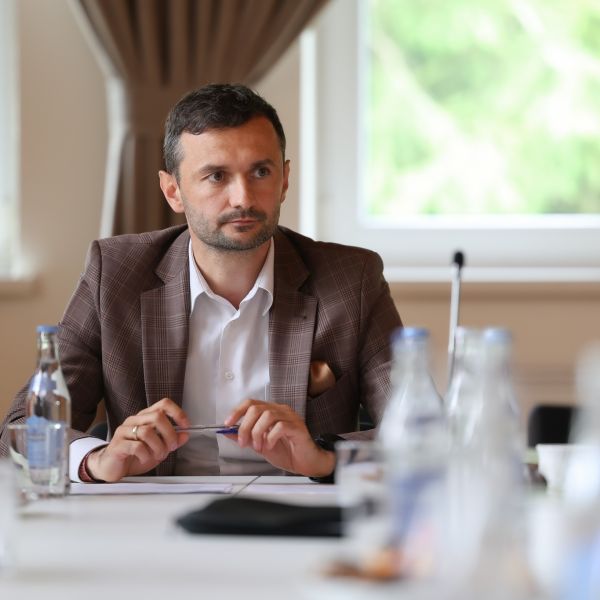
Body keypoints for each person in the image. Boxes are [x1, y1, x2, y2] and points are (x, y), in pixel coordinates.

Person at [0, 84, 402, 482]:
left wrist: (325, 459)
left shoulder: (352, 278)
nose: (243, 198)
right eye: (216, 176)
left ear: (284, 180)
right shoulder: (116, 274)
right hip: (151, 514)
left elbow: (421, 431)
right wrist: (97, 460)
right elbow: (20, 429)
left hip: (300, 510)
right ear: (173, 190)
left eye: (261, 172)